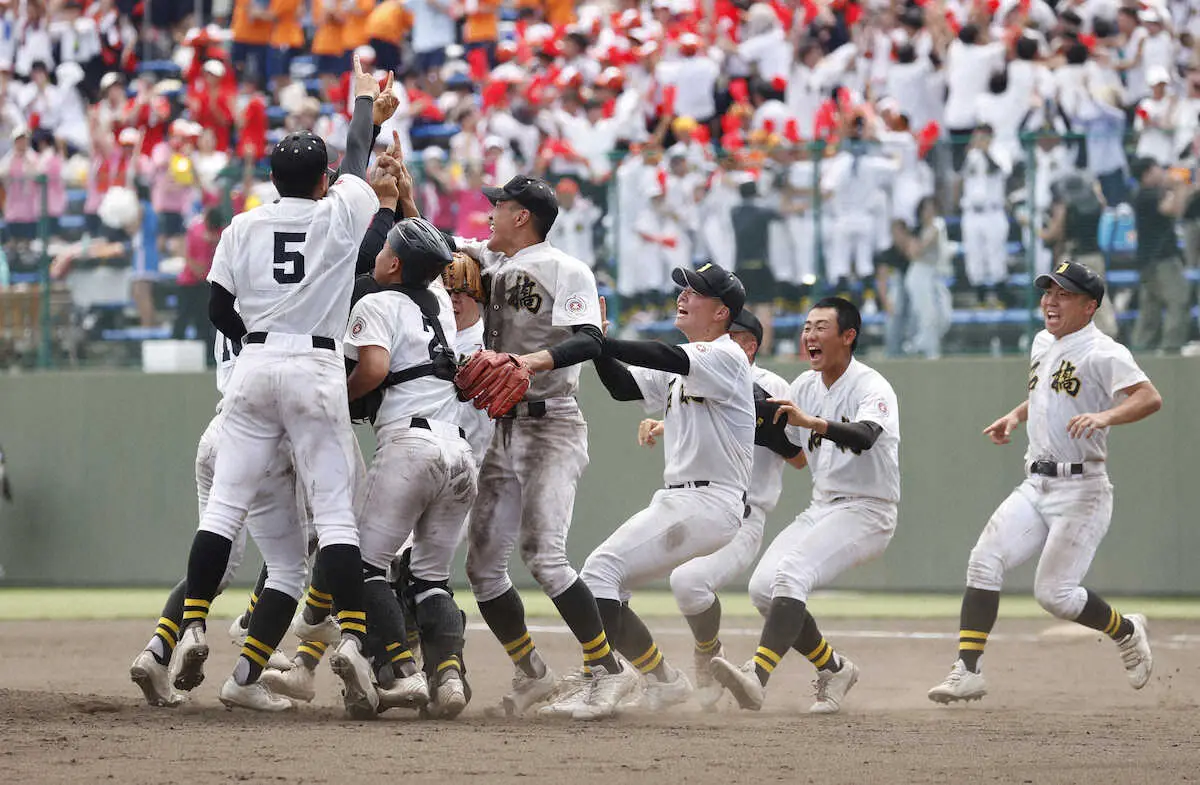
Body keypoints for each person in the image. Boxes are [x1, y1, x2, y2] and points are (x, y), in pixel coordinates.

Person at [169, 56, 381, 716]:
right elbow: (360, 152)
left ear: (270, 177)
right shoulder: (340, 211)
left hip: (254, 365)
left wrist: (259, 328)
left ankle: (195, 622)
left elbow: (216, 310)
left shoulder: (242, 224)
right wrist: (366, 102)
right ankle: (350, 637)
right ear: (323, 179)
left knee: (223, 509)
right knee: (337, 517)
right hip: (315, 363)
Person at [928, 261, 1161, 704]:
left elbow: (1150, 397)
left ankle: (1127, 631)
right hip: (1036, 483)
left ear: (1090, 306)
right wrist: (1016, 416)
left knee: (1054, 595)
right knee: (983, 560)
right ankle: (967, 670)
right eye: (1048, 291)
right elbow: (1045, 395)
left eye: (1064, 294)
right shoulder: (1042, 341)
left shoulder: (1103, 351)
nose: (1050, 301)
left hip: (1082, 490)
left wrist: (1106, 415)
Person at [453, 174, 639, 719]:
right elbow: (433, 242)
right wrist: (404, 192)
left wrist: (528, 362)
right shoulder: (487, 260)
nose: (490, 212)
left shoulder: (568, 268)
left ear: (523, 216)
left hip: (551, 421)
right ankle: (532, 673)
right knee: (483, 566)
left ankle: (608, 669)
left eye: (500, 204)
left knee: (545, 555)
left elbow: (590, 338)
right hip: (503, 426)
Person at [538, 261, 754, 718]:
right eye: (684, 288)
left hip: (710, 500)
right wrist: (593, 342)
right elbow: (620, 386)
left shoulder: (726, 355)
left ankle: (603, 676)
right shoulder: (688, 361)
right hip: (682, 497)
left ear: (721, 312)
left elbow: (662, 355)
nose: (683, 296)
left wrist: (595, 337)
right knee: (608, 582)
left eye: (694, 291)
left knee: (600, 570)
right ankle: (662, 680)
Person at [710, 297, 901, 715]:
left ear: (848, 336)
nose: (809, 336)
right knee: (763, 589)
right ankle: (834, 669)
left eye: (820, 328)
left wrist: (811, 423)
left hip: (869, 511)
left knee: (793, 572)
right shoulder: (804, 387)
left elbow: (865, 436)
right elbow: (788, 447)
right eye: (806, 327)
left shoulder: (871, 386)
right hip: (822, 507)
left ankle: (756, 676)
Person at [334, 218, 475, 719]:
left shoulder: (374, 301)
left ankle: (402, 671)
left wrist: (333, 397)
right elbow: (432, 258)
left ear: (392, 263)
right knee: (431, 577)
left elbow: (371, 370)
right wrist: (405, 203)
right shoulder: (440, 304)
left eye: (386, 249)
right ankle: (450, 676)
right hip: (459, 452)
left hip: (409, 444)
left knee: (364, 565)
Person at [643, 309, 805, 708]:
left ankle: (705, 656)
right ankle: (684, 657)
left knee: (689, 583)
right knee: (627, 576)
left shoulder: (770, 384)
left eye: (728, 335)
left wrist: (758, 419)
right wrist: (664, 424)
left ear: (748, 345)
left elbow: (799, 457)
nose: (713, 342)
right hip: (694, 504)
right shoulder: (695, 372)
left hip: (744, 513)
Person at [1129, 157, 1193, 353]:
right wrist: (1180, 186)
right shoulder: (1147, 195)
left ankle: (1141, 351)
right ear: (1147, 173)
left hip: (1151, 260)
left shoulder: (1148, 194)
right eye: (1157, 168)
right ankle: (1171, 349)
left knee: (1150, 309)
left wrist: (1185, 189)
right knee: (1179, 299)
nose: (1162, 171)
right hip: (1161, 261)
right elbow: (1174, 210)